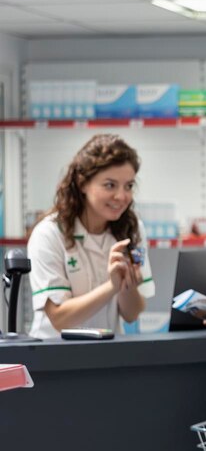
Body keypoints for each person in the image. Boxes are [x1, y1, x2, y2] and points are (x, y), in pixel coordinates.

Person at [26, 134, 154, 338]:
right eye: (110, 185)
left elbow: (132, 314)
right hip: (55, 355)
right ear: (82, 183)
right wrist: (111, 286)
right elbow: (59, 318)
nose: (121, 196)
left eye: (128, 186)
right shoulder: (49, 234)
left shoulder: (132, 228)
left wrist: (127, 285)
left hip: (106, 352)